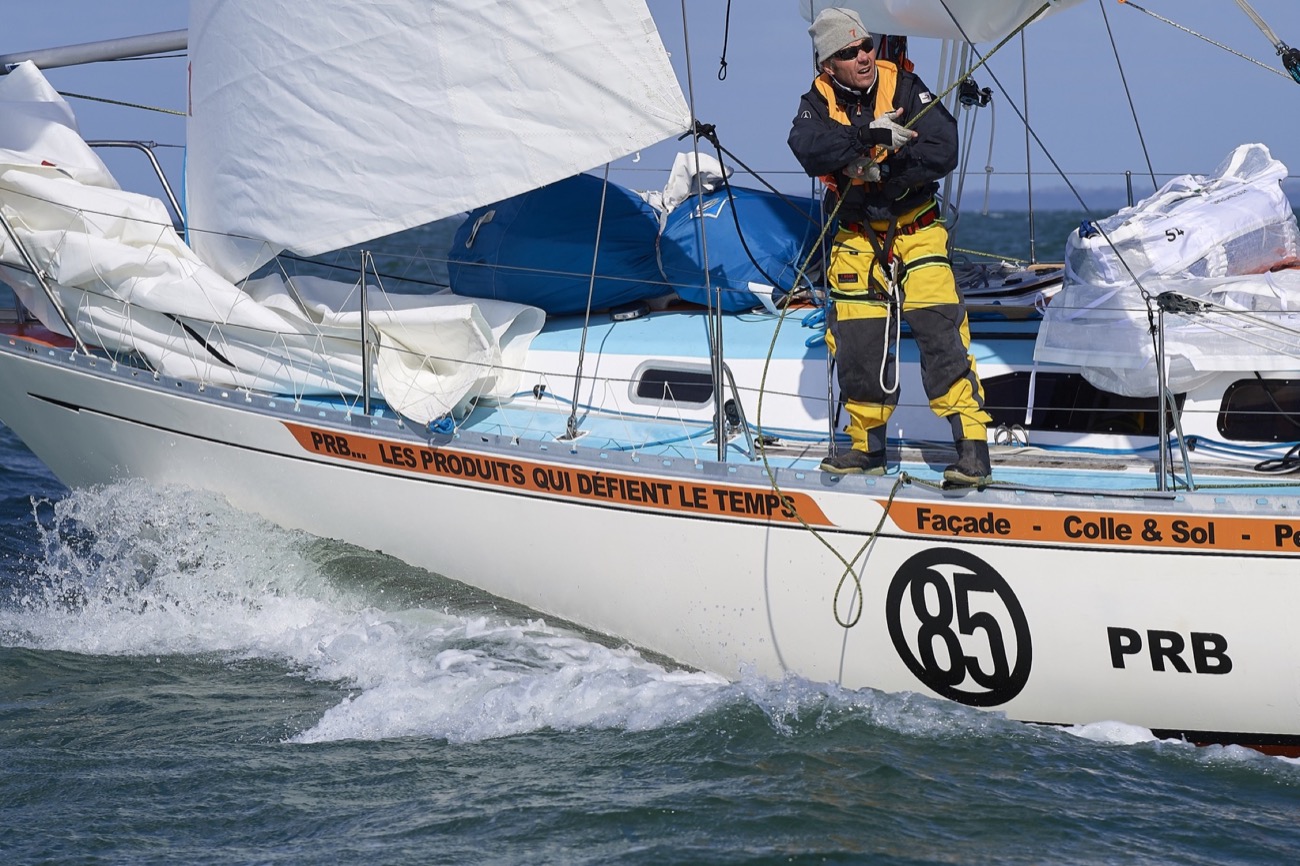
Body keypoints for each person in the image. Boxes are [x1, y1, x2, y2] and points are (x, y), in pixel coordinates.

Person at [787, 7, 992, 486]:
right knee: (857, 340)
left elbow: (943, 148)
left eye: (866, 46)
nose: (863, 56)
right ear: (828, 65)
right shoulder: (816, 101)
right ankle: (866, 448)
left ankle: (972, 449)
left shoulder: (903, 86)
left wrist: (882, 169)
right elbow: (807, 148)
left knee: (939, 328)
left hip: (916, 228)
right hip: (856, 236)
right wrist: (867, 136)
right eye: (848, 52)